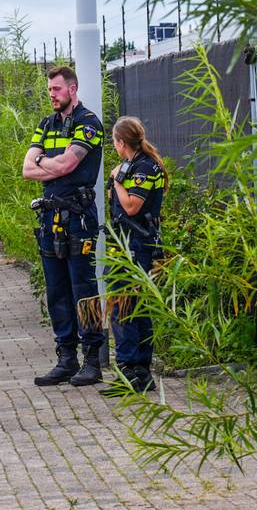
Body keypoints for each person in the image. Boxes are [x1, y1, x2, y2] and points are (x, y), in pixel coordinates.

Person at [22, 66, 106, 387]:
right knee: (56, 290)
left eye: (56, 89)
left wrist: (43, 162)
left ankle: (92, 360)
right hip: (50, 218)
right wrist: (50, 165)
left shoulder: (88, 123)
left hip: (79, 217)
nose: (52, 95)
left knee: (83, 289)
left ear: (72, 89)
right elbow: (26, 170)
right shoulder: (47, 124)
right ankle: (66, 358)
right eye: (49, 90)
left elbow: (69, 163)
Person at [105, 116, 168, 393]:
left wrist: (117, 181)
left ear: (121, 142)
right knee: (136, 308)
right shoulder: (136, 164)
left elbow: (132, 206)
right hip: (127, 243)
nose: (114, 146)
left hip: (135, 245)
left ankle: (129, 370)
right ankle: (141, 372)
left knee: (125, 307)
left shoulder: (143, 168)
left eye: (114, 142)